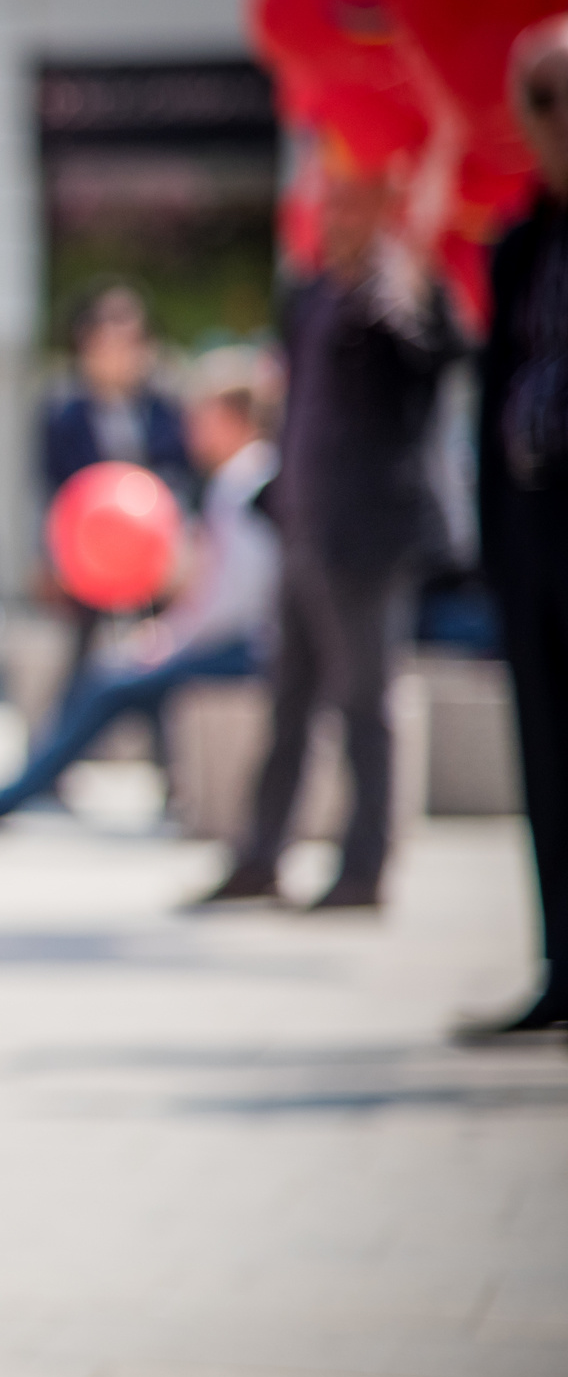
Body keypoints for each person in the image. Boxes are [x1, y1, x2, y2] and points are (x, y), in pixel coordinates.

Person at [199, 119, 463, 911]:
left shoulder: (400, 295)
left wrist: (405, 266)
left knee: (365, 707)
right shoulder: (312, 294)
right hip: (303, 525)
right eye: (333, 200)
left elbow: (431, 361)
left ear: (383, 209)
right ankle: (261, 855)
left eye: (355, 202)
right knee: (289, 702)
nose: (338, 216)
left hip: (368, 536)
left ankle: (364, 868)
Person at [0, 347, 278, 824]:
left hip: (250, 646)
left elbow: (237, 599)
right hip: (245, 640)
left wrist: (172, 638)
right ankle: (160, 786)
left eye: (202, 417)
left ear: (232, 418)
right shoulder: (246, 477)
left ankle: (13, 795)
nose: (190, 430)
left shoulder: (244, 484)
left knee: (116, 683)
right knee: (132, 676)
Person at [459, 16, 568, 1038]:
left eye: (554, 98)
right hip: (532, 537)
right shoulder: (521, 243)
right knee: (546, 759)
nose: (544, 123)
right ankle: (561, 965)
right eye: (533, 102)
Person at [36, 284, 194, 701]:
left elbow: (181, 474)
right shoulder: (63, 412)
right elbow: (50, 485)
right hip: (88, 551)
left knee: (158, 654)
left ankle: (161, 736)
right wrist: (50, 554)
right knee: (82, 658)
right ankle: (63, 737)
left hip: (153, 551)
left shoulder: (164, 407)